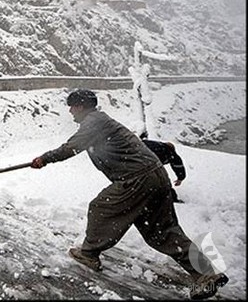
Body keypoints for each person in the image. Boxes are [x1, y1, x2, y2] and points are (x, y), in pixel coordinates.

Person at [30, 89, 228, 300]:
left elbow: (71, 147)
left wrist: (44, 159)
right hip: (155, 175)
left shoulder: (94, 121)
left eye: (72, 106)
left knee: (101, 207)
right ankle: (207, 273)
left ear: (81, 106)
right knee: (162, 232)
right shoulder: (100, 121)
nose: (70, 111)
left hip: (137, 178)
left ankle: (89, 254)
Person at [142, 138, 186, 203]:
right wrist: (180, 178)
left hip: (136, 155)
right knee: (162, 181)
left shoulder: (155, 144)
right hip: (148, 162)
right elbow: (178, 164)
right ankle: (171, 198)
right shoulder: (169, 152)